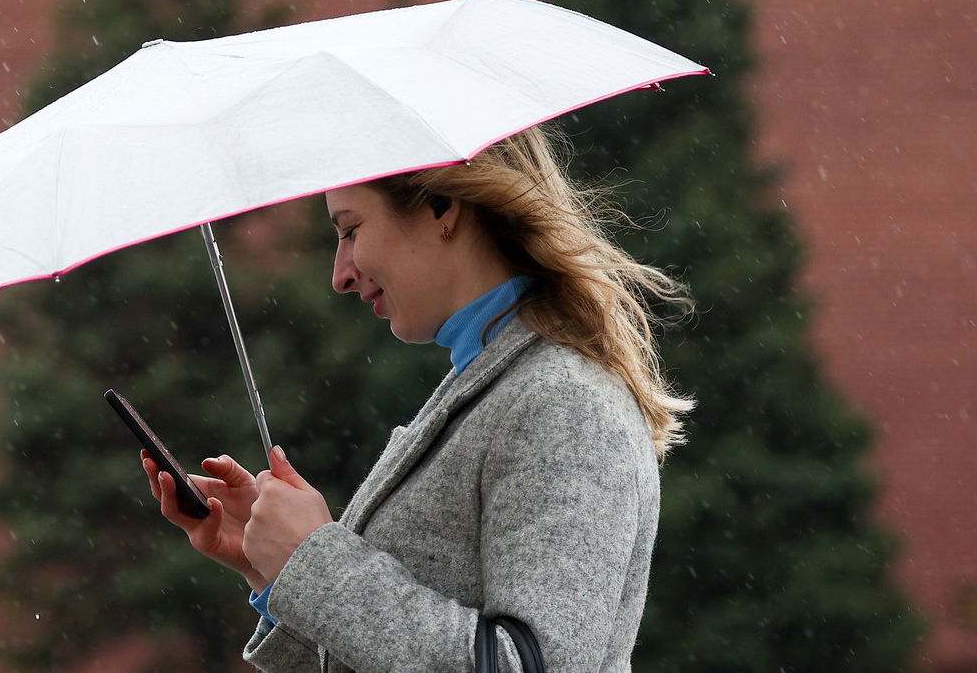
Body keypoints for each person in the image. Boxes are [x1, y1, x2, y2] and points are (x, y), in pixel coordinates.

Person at [141, 124, 692, 672]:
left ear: (440, 205)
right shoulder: (491, 386)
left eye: (351, 230)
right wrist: (278, 572)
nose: (340, 274)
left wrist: (314, 561)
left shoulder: (561, 402)